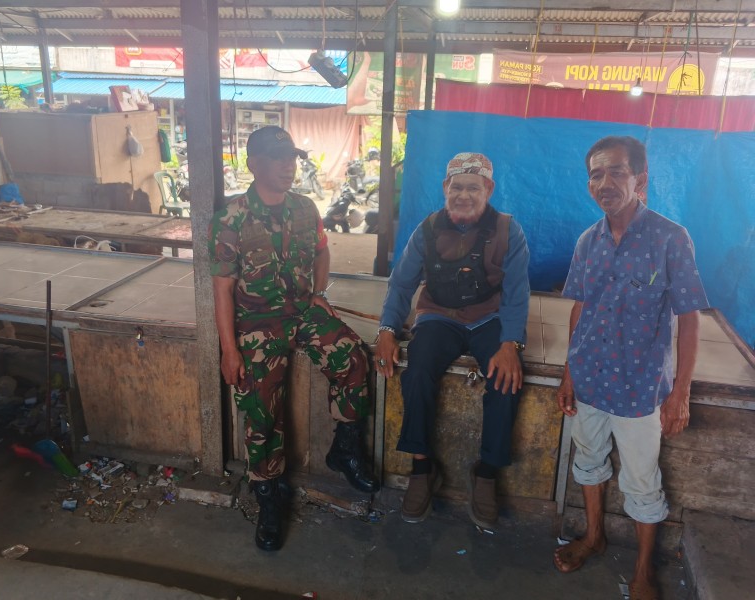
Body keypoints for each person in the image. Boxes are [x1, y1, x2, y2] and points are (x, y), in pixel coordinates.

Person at [208, 125, 379, 552]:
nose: (289, 166)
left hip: (302, 310)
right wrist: (229, 350)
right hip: (256, 322)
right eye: (278, 158)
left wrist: (319, 293)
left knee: (354, 358)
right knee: (262, 408)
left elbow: (322, 250)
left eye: (292, 158)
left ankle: (345, 448)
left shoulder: (305, 208)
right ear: (254, 164)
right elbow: (222, 289)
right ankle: (268, 494)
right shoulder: (231, 218)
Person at [553, 136, 709, 600]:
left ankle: (643, 570)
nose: (605, 183)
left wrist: (680, 392)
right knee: (588, 460)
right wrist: (568, 372)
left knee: (642, 479)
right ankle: (594, 536)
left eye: (616, 171)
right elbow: (580, 308)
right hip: (589, 379)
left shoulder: (670, 238)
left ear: (640, 179)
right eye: (596, 174)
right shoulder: (588, 241)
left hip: (640, 387)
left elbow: (690, 319)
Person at [374, 152, 530, 527]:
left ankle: (486, 473)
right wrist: (387, 329)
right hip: (439, 316)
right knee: (417, 370)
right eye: (456, 186)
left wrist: (511, 343)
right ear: (445, 187)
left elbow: (517, 293)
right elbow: (402, 283)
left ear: (488, 189)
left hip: (489, 317)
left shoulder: (509, 230)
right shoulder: (427, 229)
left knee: (506, 379)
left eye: (473, 188)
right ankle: (422, 468)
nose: (463, 195)